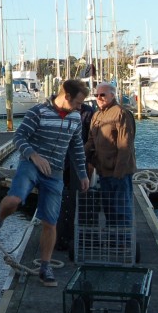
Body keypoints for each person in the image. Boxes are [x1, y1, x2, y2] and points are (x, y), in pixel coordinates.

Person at [0, 79, 90, 288]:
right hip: (30, 165)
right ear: (66, 97)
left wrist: (83, 174)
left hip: (55, 172)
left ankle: (45, 267)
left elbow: (76, 148)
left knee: (50, 222)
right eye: (78, 102)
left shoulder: (75, 117)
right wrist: (34, 156)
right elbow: (19, 137)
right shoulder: (38, 112)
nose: (80, 107)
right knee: (15, 200)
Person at [85, 82, 136, 226]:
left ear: (112, 95)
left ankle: (123, 243)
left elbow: (125, 145)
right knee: (109, 209)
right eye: (96, 95)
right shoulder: (96, 115)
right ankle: (112, 240)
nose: (99, 98)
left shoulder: (121, 113)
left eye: (103, 95)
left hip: (119, 173)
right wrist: (79, 156)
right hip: (103, 171)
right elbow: (90, 142)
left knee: (121, 209)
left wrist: (119, 172)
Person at [55, 99, 94, 252]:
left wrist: (88, 159)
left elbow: (91, 137)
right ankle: (61, 238)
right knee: (60, 201)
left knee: (74, 201)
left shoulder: (88, 112)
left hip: (77, 162)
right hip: (60, 163)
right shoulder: (54, 112)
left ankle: (70, 237)